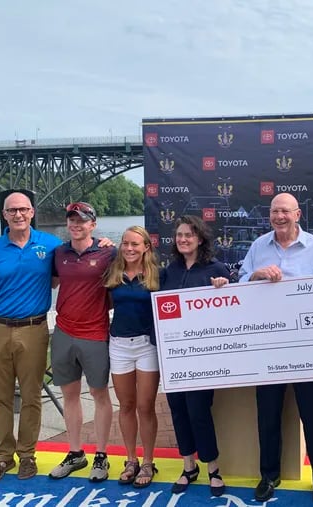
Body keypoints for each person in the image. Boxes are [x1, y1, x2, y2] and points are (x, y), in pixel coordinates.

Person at [238, 192, 313, 507]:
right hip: (268, 345)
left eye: (285, 211)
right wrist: (256, 275)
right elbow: (240, 287)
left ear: (297, 215)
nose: (279, 216)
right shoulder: (258, 247)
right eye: (274, 211)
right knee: (267, 414)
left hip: (308, 346)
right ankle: (269, 475)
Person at [0, 192, 63, 484]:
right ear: (4, 215)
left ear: (32, 212)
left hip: (34, 329)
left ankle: (27, 454)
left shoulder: (50, 245)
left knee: (32, 395)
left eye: (23, 209)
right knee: (0, 397)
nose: (18, 214)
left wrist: (106, 245)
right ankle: (3, 456)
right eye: (12, 210)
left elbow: (76, 261)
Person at [162, 215, 231, 497]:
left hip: (203, 356)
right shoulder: (169, 271)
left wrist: (224, 287)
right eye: (179, 235)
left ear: (200, 239)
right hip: (174, 355)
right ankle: (188, 465)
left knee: (198, 410)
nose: (183, 239)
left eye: (189, 235)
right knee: (177, 409)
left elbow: (234, 305)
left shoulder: (215, 269)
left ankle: (213, 467)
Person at [48, 202, 116, 482]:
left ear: (93, 224)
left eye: (82, 220)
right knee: (70, 395)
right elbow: (50, 283)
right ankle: (75, 453)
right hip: (64, 332)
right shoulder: (59, 253)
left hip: (95, 333)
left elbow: (134, 264)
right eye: (72, 220)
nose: (76, 224)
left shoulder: (109, 251)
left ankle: (101, 455)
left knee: (100, 394)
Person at [104, 225, 162, 488]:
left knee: (145, 406)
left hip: (146, 345)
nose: (129, 248)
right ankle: (131, 459)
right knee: (125, 405)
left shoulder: (157, 275)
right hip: (118, 345)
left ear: (146, 247)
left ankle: (148, 461)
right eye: (125, 243)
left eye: (135, 244)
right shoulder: (113, 272)